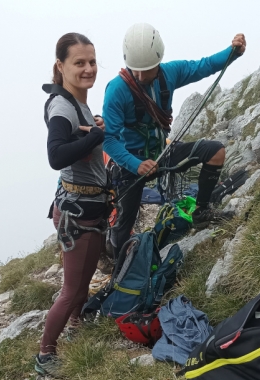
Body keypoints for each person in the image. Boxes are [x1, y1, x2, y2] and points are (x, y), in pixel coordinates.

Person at [102, 23, 247, 260]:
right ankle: (119, 265)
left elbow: (204, 66)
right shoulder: (117, 90)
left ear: (158, 61)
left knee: (216, 152)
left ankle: (201, 212)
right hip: (131, 165)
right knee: (123, 225)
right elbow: (109, 140)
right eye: (134, 69)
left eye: (146, 70)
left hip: (162, 153)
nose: (139, 76)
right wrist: (135, 164)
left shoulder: (169, 73)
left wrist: (232, 53)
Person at [36, 33, 107, 377]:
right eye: (79, 63)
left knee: (85, 277)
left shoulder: (78, 101)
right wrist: (95, 136)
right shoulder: (63, 107)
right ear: (60, 66)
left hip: (88, 207)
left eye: (92, 61)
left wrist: (94, 129)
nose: (88, 68)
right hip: (77, 211)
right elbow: (56, 155)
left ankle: (77, 322)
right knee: (71, 288)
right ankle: (45, 354)